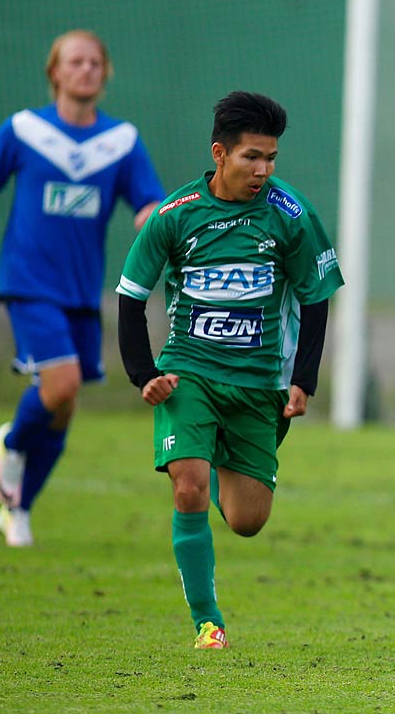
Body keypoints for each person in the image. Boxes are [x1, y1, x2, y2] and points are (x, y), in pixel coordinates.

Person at [115, 91, 342, 649]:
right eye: (251, 157)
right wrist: (144, 373)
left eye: (271, 158)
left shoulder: (290, 215)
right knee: (187, 486)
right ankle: (207, 621)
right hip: (188, 372)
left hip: (258, 383)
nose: (263, 170)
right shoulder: (175, 215)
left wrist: (303, 379)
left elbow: (316, 298)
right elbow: (130, 296)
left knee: (246, 520)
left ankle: (217, 457)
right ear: (220, 153)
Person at [0, 30, 165, 547]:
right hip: (30, 280)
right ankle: (12, 445)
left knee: (64, 406)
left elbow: (149, 199)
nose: (85, 70)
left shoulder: (120, 141)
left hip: (82, 289)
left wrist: (150, 217)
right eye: (74, 62)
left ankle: (18, 510)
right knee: (61, 385)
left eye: (94, 63)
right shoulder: (24, 130)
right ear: (54, 72)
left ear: (105, 74)